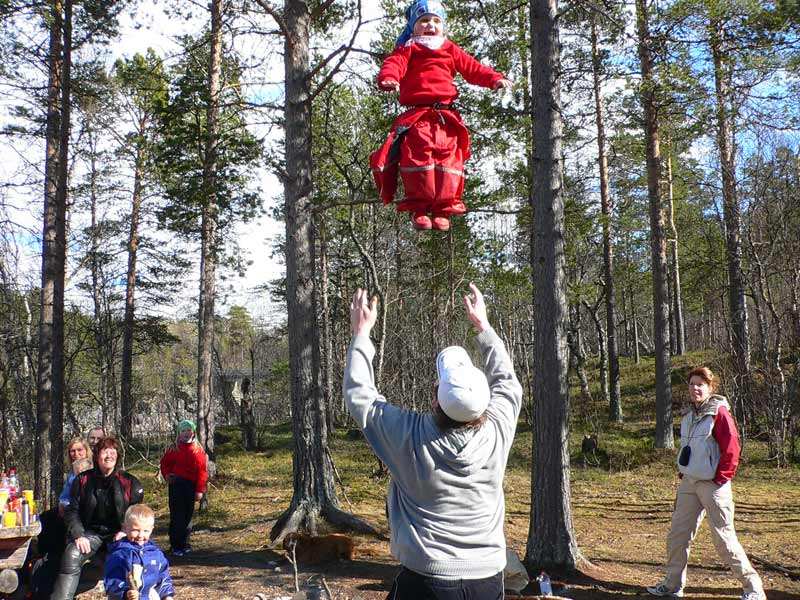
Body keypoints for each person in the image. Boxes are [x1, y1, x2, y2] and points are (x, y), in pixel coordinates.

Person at [344, 283, 523, 599]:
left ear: (435, 398)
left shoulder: (410, 435)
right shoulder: (498, 428)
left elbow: (360, 396)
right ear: (484, 401)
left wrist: (362, 334)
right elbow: (508, 382)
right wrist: (483, 326)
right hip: (488, 582)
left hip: (427, 581)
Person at [370, 0, 511, 232]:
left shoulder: (450, 48)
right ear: (414, 27)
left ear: (443, 26)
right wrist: (389, 79)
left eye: (436, 21)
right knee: (418, 158)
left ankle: (443, 208)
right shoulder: (408, 48)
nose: (430, 26)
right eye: (424, 21)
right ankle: (419, 209)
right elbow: (393, 64)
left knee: (448, 159)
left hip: (445, 117)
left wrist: (494, 79)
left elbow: (473, 68)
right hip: (419, 117)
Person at [647, 367, 765, 600]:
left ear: (710, 387)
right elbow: (689, 448)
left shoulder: (719, 412)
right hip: (689, 484)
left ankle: (754, 589)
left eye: (700, 384)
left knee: (724, 539)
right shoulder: (689, 415)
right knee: (677, 536)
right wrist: (684, 473)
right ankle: (672, 586)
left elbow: (732, 448)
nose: (695, 388)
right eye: (692, 384)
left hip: (713, 485)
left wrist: (721, 477)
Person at [50, 436, 144, 600]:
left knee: (128, 557)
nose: (109, 455)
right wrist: (78, 534)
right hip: (90, 534)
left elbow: (136, 513)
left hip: (119, 535)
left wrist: (125, 530)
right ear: (96, 456)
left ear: (118, 456)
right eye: (104, 451)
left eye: (112, 451)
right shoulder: (83, 480)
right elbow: (72, 510)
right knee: (72, 553)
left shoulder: (130, 482)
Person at [104, 504, 175, 600]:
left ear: (151, 530)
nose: (141, 535)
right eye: (135, 530)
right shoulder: (120, 554)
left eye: (146, 531)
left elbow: (163, 576)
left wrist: (167, 595)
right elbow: (112, 579)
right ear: (125, 528)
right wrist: (125, 592)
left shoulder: (155, 553)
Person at [159, 419, 208, 556]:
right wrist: (167, 475)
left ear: (193, 432)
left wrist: (199, 490)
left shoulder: (198, 451)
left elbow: (202, 473)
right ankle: (175, 545)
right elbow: (165, 464)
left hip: (191, 486)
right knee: (177, 515)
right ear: (178, 434)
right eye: (183, 431)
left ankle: (185, 542)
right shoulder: (173, 448)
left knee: (188, 515)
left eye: (188, 430)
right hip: (176, 485)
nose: (186, 433)